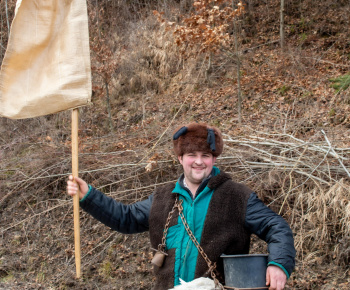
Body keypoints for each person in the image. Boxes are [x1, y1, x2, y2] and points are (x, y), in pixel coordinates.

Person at [67, 122, 295, 290]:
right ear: (180, 158)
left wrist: (278, 265)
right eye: (191, 154)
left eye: (205, 155)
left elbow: (277, 228)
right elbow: (125, 218)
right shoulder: (162, 198)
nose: (198, 161)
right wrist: (88, 195)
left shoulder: (237, 197)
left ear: (214, 159)